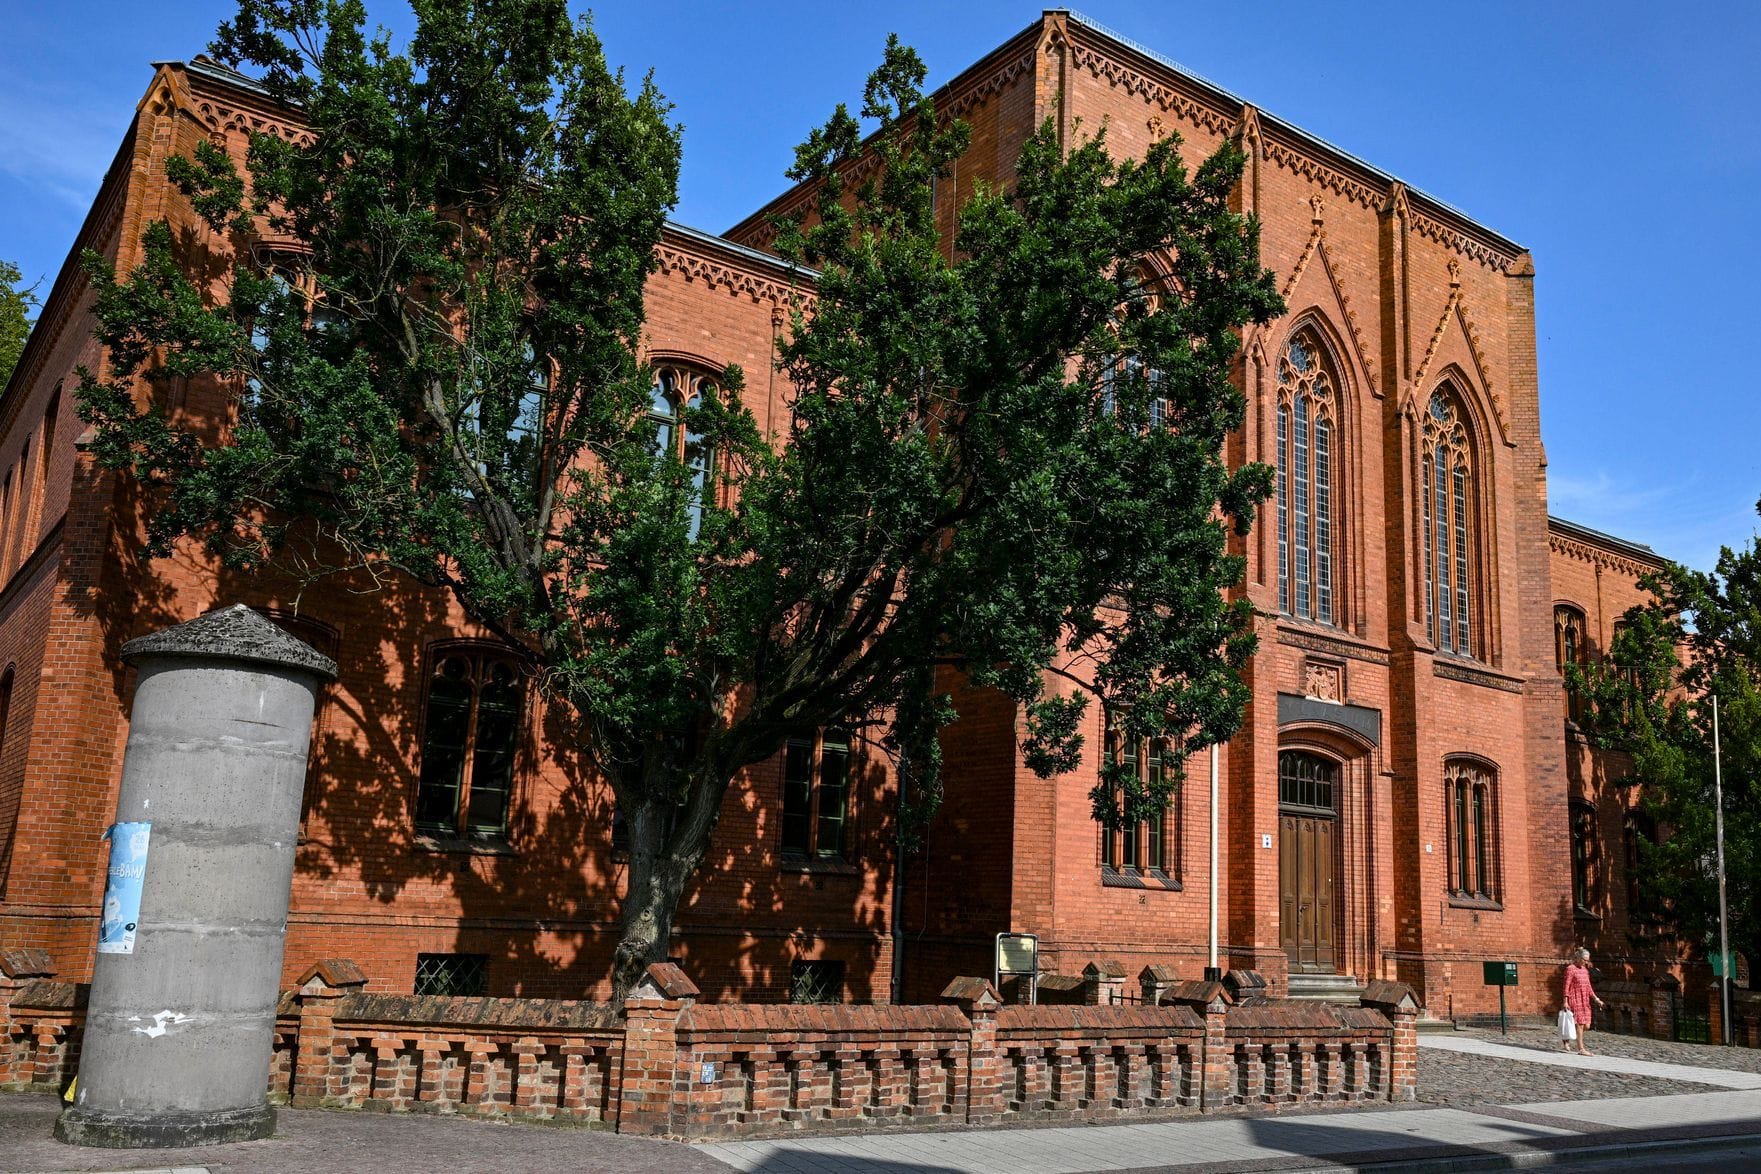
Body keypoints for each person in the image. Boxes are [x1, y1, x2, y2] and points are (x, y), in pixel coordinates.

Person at [1562, 947, 1606, 1056]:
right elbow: (1566, 986)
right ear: (1578, 958)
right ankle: (1581, 1049)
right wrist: (1565, 1001)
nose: (1586, 962)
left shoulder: (1585, 971)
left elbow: (1588, 987)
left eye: (1587, 960)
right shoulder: (1570, 969)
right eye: (1584, 960)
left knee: (1587, 1025)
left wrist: (1596, 999)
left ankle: (1567, 1037)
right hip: (1574, 998)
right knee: (1580, 1024)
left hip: (1584, 1000)